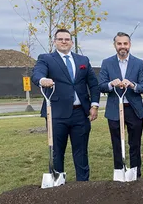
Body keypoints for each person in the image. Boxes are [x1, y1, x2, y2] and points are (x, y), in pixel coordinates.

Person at [31, 28, 100, 181]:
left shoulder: (83, 60)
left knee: (81, 152)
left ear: (71, 42)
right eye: (60, 39)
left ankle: (82, 185)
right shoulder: (46, 58)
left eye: (67, 39)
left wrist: (94, 105)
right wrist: (42, 80)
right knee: (57, 152)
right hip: (56, 114)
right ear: (54, 41)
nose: (64, 42)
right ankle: (58, 183)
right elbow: (37, 74)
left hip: (80, 114)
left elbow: (93, 84)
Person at [98, 32, 143, 178]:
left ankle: (135, 173)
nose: (122, 47)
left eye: (125, 43)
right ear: (115, 45)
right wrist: (110, 84)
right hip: (114, 109)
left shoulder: (139, 63)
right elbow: (100, 85)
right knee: (117, 144)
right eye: (119, 44)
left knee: (135, 144)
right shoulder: (107, 63)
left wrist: (133, 85)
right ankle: (120, 173)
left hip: (134, 109)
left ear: (129, 44)